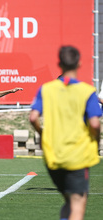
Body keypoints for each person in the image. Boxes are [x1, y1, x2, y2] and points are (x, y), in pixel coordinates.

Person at [29, 46, 101, 220]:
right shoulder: (87, 91)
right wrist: (96, 142)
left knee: (69, 203)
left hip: (54, 156)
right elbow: (95, 124)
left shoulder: (46, 89)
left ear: (59, 64)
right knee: (78, 206)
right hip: (77, 156)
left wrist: (42, 133)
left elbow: (33, 117)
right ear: (80, 63)